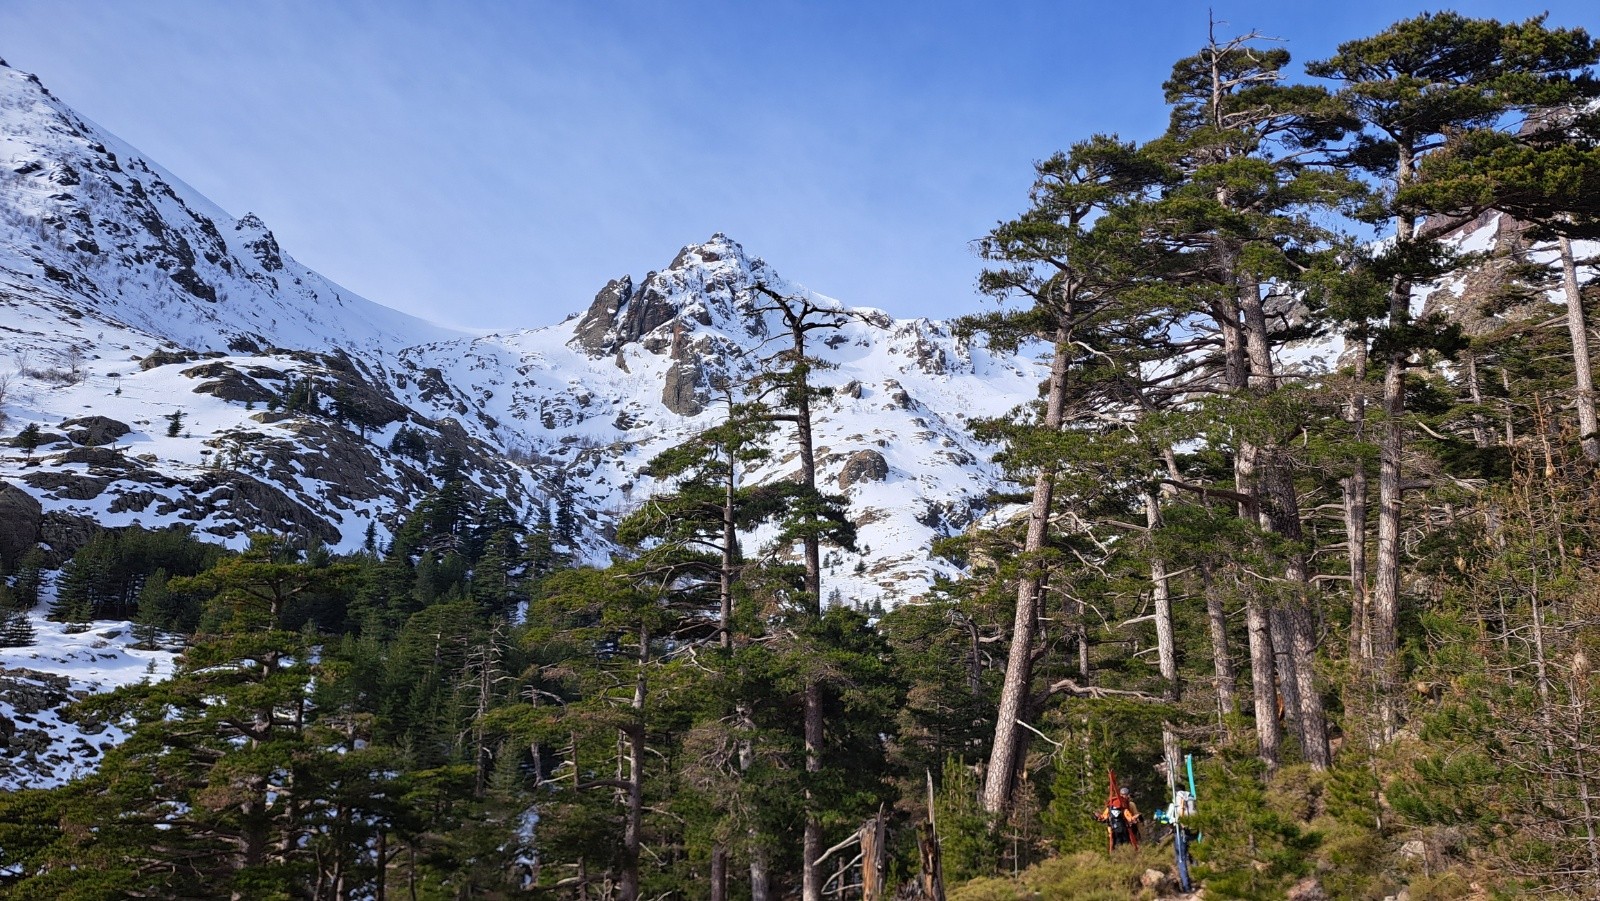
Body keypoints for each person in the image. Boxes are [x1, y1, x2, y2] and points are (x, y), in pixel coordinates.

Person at [1095, 786, 1142, 851]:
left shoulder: (1113, 806)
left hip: (1118, 829)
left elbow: (1103, 817)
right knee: (1125, 845)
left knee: (1117, 846)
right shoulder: (1126, 805)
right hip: (1123, 829)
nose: (1125, 796)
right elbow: (1133, 817)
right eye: (1124, 795)